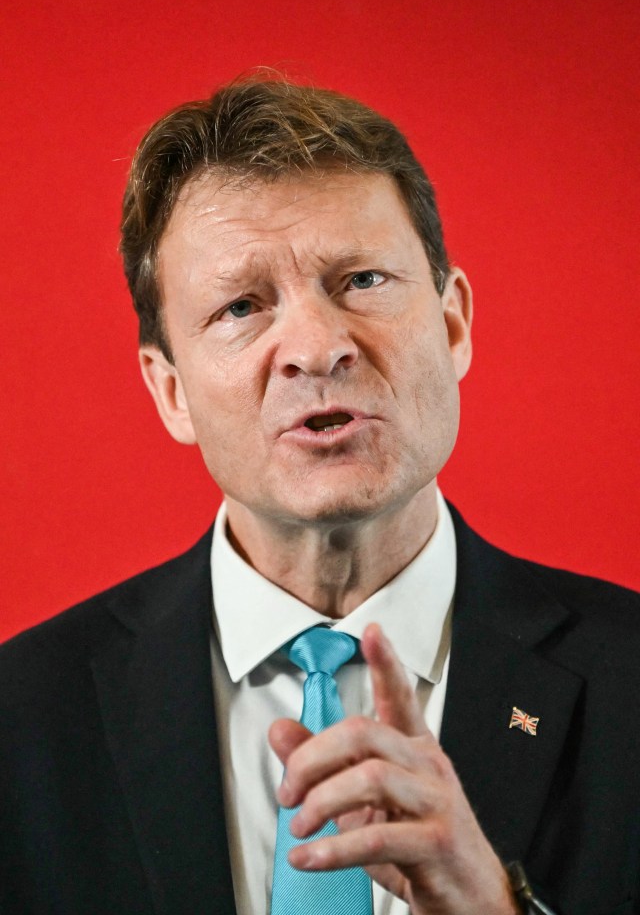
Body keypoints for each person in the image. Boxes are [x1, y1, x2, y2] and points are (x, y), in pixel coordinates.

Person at [1, 77, 638, 915]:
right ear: (171, 393)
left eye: (362, 280)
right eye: (241, 307)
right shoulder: (22, 721)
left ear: (452, 326)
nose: (316, 345)